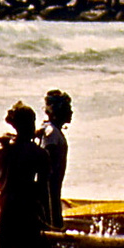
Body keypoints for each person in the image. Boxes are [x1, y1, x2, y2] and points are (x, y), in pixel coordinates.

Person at [0, 101, 51, 248]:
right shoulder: (40, 154)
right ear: (30, 124)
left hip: (5, 210)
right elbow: (44, 189)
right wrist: (47, 220)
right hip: (28, 212)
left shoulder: (0, 151)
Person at [39, 89, 73, 230]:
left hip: (54, 188)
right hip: (49, 188)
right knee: (52, 218)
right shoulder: (51, 133)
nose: (71, 112)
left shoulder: (54, 131)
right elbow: (47, 167)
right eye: (68, 109)